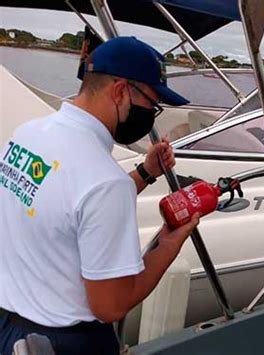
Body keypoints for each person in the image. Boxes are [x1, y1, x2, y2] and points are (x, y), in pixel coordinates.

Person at [0, 36, 199, 354]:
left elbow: (67, 205)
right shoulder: (105, 182)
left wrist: (145, 173)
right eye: (152, 104)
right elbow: (111, 306)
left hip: (11, 329)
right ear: (120, 91)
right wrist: (170, 244)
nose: (152, 114)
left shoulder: (27, 135)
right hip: (66, 344)